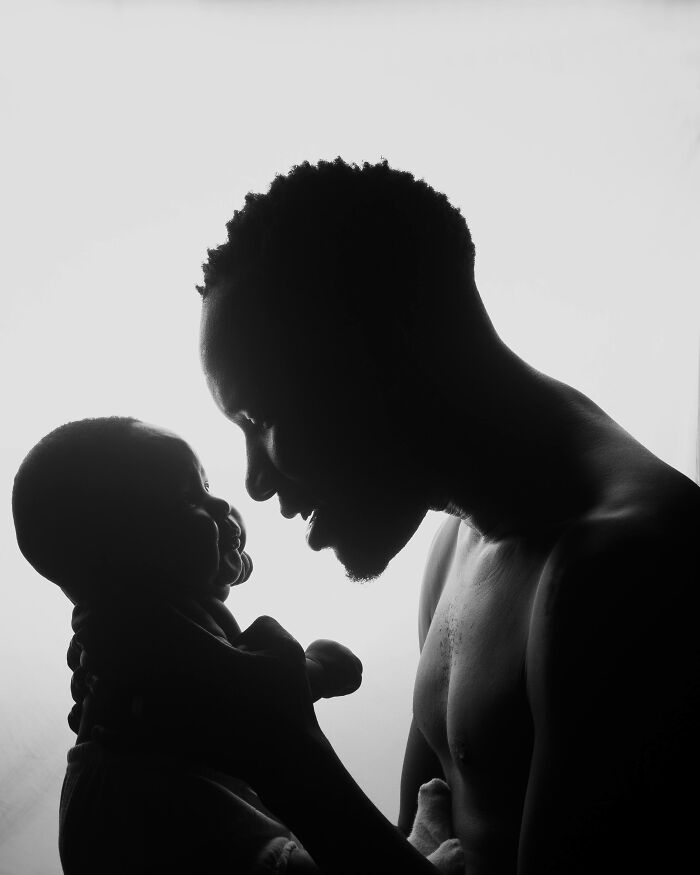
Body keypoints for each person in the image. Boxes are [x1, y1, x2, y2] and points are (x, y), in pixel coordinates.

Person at [73, 158, 699, 874]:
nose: (252, 479)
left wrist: (279, 752)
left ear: (383, 351)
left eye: (263, 415)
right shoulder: (457, 541)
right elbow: (406, 853)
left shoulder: (631, 575)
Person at [12, 416, 365, 873]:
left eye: (206, 484)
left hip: (133, 802)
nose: (220, 505)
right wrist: (316, 669)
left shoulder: (125, 629)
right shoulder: (145, 629)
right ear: (115, 555)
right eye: (185, 501)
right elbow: (242, 697)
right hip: (148, 808)